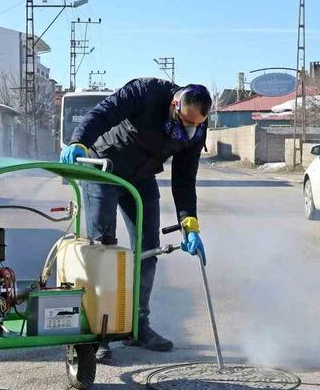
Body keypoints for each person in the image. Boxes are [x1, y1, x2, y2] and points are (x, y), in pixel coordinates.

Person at [60, 78, 210, 361]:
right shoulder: (145, 92)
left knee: (148, 248)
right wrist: (79, 141)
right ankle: (100, 330)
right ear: (174, 105)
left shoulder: (196, 129)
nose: (189, 131)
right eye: (186, 123)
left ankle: (138, 325)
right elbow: (102, 114)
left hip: (141, 176)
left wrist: (188, 224)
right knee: (104, 250)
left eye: (195, 126)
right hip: (104, 167)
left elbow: (184, 180)